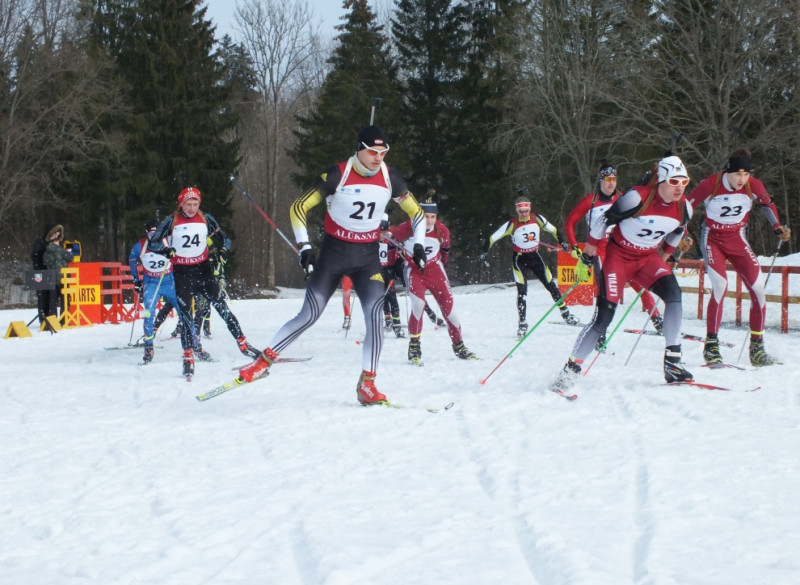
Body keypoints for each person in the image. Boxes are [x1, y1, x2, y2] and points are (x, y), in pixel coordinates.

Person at [238, 125, 427, 405]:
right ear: (359, 149)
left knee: (375, 317)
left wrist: (419, 243)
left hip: (367, 258)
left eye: (383, 152)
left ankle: (368, 385)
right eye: (373, 152)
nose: (378, 158)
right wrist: (304, 247)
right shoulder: (339, 174)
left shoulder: (390, 177)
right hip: (333, 254)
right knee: (309, 314)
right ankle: (263, 362)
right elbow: (298, 207)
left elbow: (418, 214)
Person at [552, 155, 695, 392]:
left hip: (647, 259)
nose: (679, 187)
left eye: (684, 181)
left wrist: (664, 257)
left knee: (673, 294)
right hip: (618, 258)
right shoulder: (636, 197)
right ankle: (570, 371)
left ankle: (673, 363)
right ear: (660, 180)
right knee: (603, 318)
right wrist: (588, 254)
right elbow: (602, 223)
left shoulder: (684, 207)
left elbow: (677, 231)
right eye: (673, 181)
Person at [685, 149, 791, 367]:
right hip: (712, 239)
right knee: (720, 285)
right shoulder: (711, 184)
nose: (742, 180)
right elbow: (685, 207)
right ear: (728, 172)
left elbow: (767, 204)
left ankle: (757, 348)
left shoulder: (754, 185)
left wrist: (777, 227)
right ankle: (712, 345)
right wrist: (683, 235)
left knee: (758, 288)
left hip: (737, 238)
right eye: (737, 175)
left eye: (746, 175)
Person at [148, 186, 260, 378]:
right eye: (188, 204)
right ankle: (188, 358)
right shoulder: (171, 220)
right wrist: (166, 251)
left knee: (221, 308)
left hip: (203, 271)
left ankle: (243, 344)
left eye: (195, 204)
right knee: (186, 317)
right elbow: (153, 243)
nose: (191, 208)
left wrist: (223, 251)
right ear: (181, 204)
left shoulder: (206, 218)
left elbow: (225, 239)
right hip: (182, 273)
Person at [564, 161, 666, 346]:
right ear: (601, 181)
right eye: (608, 180)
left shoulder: (622, 198)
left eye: (614, 179)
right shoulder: (590, 200)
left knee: (640, 285)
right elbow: (570, 221)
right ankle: (599, 331)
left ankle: (658, 321)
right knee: (604, 293)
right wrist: (573, 246)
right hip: (601, 253)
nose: (611, 183)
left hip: (622, 249)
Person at [392, 196, 477, 365]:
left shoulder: (442, 230)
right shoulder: (406, 228)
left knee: (449, 309)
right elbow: (393, 243)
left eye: (433, 217)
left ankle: (459, 345)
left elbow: (445, 251)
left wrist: (440, 265)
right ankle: (414, 346)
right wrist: (402, 257)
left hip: (435, 270)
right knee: (418, 305)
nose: (429, 221)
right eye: (425, 216)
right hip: (414, 271)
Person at [480, 193, 578, 339]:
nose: (524, 214)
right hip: (519, 260)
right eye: (521, 212)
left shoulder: (537, 219)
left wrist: (562, 242)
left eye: (526, 211)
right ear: (517, 211)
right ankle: (522, 324)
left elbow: (554, 230)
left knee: (551, 284)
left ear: (530, 209)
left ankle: (566, 314)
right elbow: (492, 238)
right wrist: (484, 252)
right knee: (522, 293)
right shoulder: (512, 224)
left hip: (535, 257)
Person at [128, 219, 184, 364]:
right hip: (151, 283)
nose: (153, 236)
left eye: (156, 232)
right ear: (146, 233)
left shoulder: (168, 242)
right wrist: (136, 281)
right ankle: (148, 345)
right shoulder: (140, 246)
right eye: (150, 233)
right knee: (148, 313)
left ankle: (195, 345)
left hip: (169, 281)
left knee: (185, 311)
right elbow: (132, 260)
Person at [30, 223, 63, 324]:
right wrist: (40, 268)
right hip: (40, 272)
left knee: (52, 296)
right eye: (54, 234)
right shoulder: (40, 242)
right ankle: (43, 319)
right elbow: (35, 256)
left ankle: (51, 317)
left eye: (58, 234)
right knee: (42, 296)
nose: (56, 236)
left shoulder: (55, 243)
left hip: (52, 273)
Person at [379, 213, 405, 337]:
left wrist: (400, 261)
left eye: (384, 232)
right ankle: (387, 318)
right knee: (381, 297)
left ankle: (397, 325)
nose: (382, 235)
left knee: (392, 297)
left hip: (389, 271)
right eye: (380, 232)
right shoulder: (371, 241)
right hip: (376, 272)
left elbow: (400, 252)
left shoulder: (391, 240)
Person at [42, 224, 75, 320]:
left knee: (53, 301)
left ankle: (52, 320)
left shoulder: (47, 251)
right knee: (65, 300)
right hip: (62, 278)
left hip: (52, 278)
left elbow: (46, 262)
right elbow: (71, 257)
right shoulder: (59, 250)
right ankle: (64, 320)